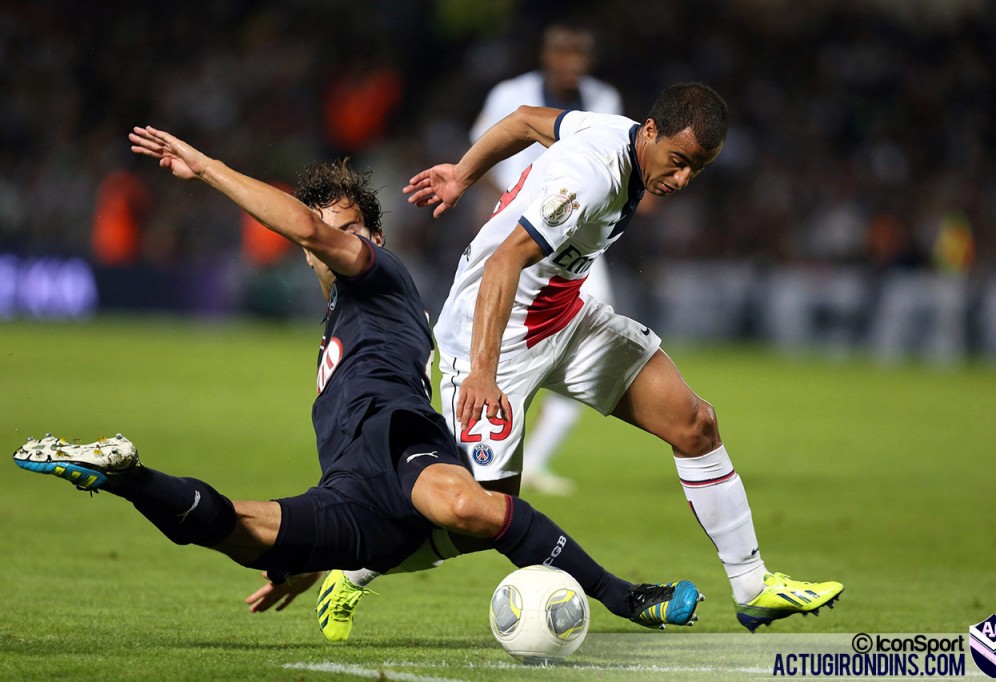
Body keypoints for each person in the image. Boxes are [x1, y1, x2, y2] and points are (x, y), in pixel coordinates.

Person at [12, 125, 703, 640]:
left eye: (343, 230)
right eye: (325, 234)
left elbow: (310, 227)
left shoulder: (378, 272)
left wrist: (208, 168)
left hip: (396, 437)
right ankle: (124, 473)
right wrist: (315, 556)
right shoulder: (341, 315)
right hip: (350, 488)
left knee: (470, 510)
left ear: (371, 234)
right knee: (237, 535)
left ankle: (624, 597)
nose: (327, 241)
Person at [401, 83, 844, 633]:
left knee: (695, 423)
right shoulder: (589, 178)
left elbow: (523, 121)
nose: (682, 179)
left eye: (697, 170)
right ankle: (356, 569)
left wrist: (463, 174)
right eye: (679, 162)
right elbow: (502, 266)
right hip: (494, 336)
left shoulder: (614, 130)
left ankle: (754, 588)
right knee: (482, 517)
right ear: (651, 133)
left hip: (564, 317)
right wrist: (484, 375)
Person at [471, 23, 622, 496]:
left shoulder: (603, 99)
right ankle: (471, 451)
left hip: (576, 247)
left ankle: (533, 460)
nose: (571, 62)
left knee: (599, 345)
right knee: (490, 348)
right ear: (547, 53)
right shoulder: (511, 95)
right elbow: (489, 150)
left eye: (580, 53)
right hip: (520, 239)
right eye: (563, 51)